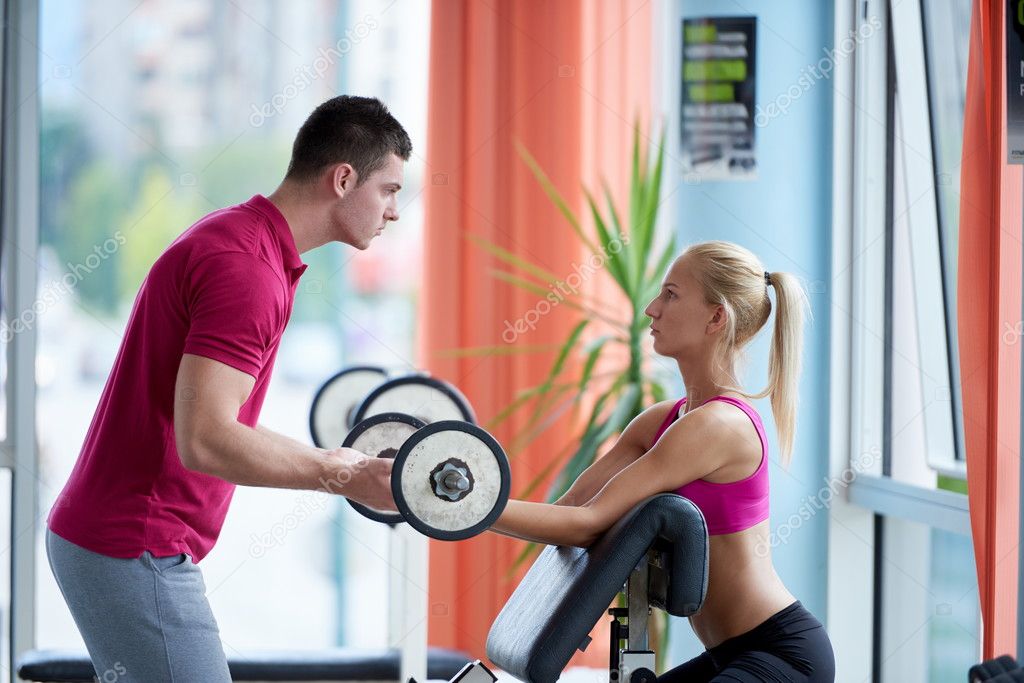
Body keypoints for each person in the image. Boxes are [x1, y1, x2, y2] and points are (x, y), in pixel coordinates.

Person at [46, 95, 409, 682]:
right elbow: (208, 441)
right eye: (390, 190)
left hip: (118, 540)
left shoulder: (245, 240)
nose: (394, 211)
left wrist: (343, 465)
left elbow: (215, 422)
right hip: (133, 545)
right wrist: (343, 475)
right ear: (343, 179)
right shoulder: (248, 270)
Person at [490, 241, 836, 682]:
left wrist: (468, 511)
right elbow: (568, 513)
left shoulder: (719, 426)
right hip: (726, 654)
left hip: (781, 654)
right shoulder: (662, 420)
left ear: (716, 317)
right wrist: (456, 507)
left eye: (671, 294)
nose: (651, 309)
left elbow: (590, 522)